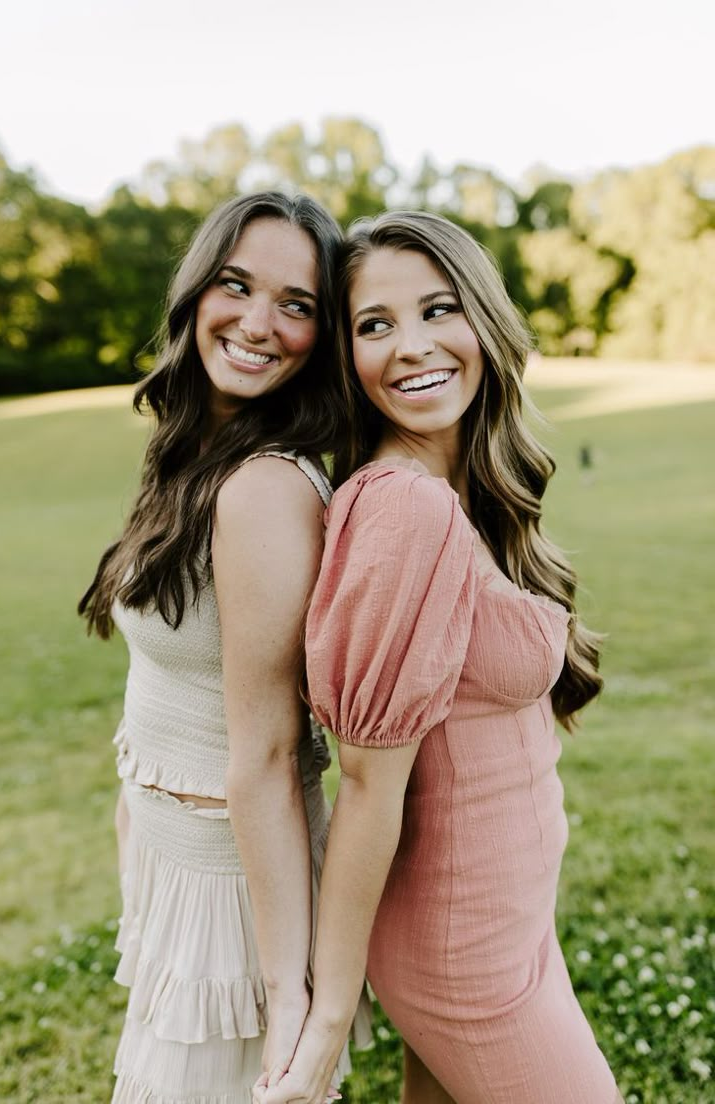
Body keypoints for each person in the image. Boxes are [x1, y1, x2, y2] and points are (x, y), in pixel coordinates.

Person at [258, 211, 623, 1104]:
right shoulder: (405, 510)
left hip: (511, 925)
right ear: (346, 358)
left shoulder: (460, 494)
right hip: (465, 953)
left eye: (438, 309)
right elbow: (369, 784)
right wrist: (330, 1014)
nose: (412, 346)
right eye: (374, 325)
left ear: (484, 320)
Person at [78, 192, 370, 1104]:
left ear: (323, 336)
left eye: (297, 304)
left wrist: (289, 993)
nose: (257, 324)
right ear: (196, 289)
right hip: (176, 863)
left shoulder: (264, 489)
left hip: (237, 891)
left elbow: (272, 754)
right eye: (236, 286)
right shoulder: (191, 452)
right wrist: (136, 836)